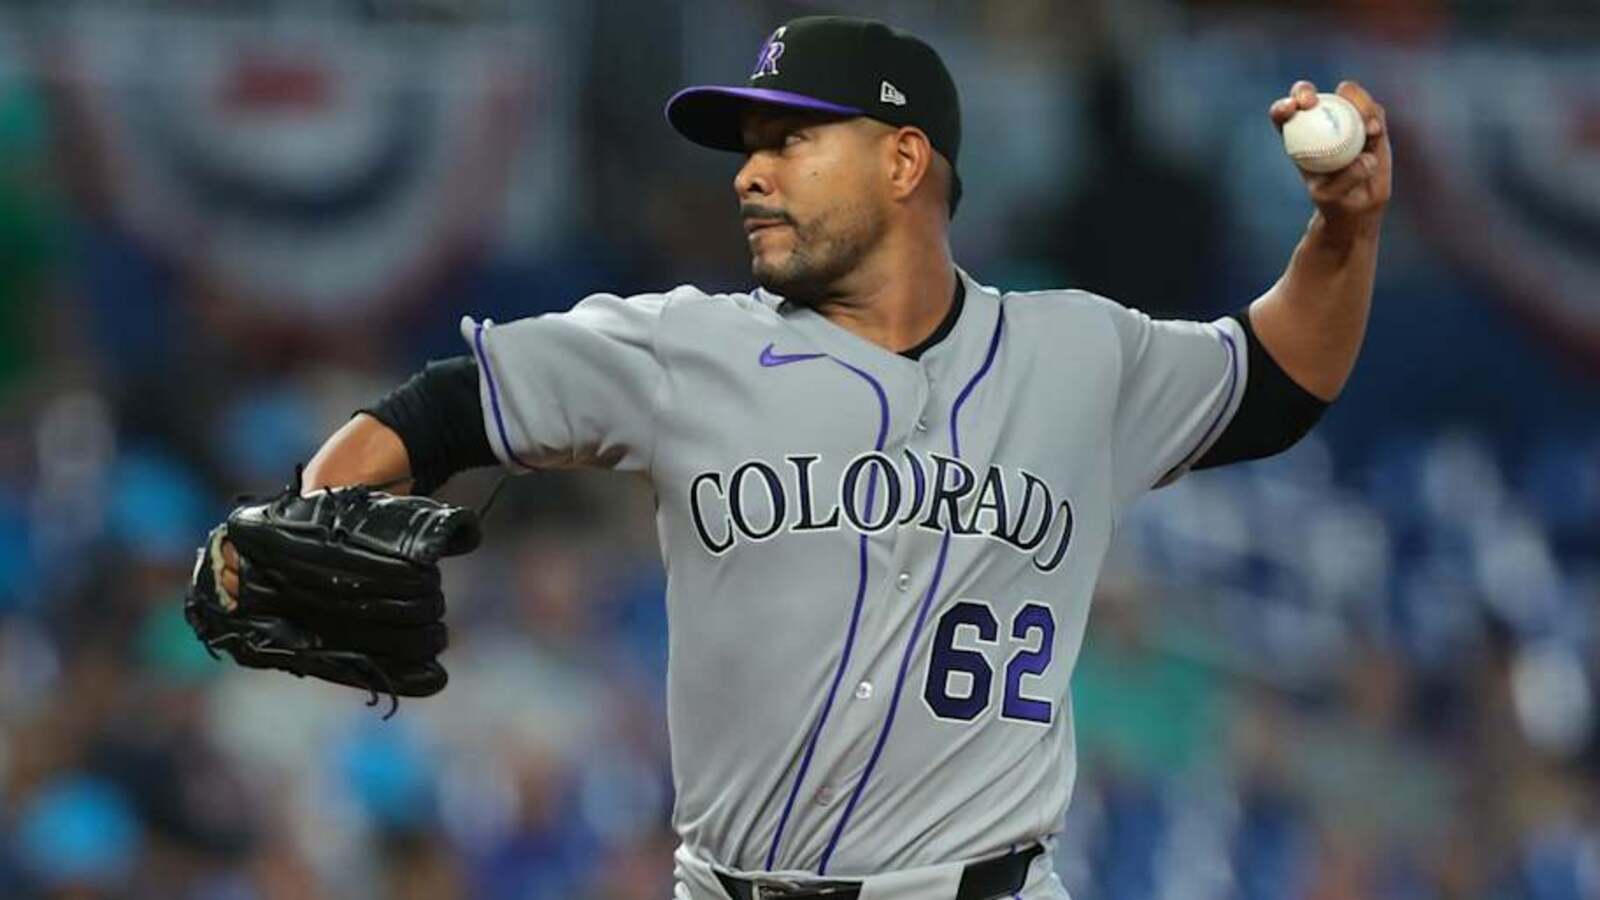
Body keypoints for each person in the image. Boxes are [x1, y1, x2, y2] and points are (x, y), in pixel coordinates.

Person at [213, 15, 1391, 900]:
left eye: (791, 140)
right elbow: (441, 407)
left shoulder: (1077, 354)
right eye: (749, 146)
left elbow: (1278, 379)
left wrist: (1342, 228)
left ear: (904, 162)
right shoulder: (681, 348)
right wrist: (309, 501)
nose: (749, 171)